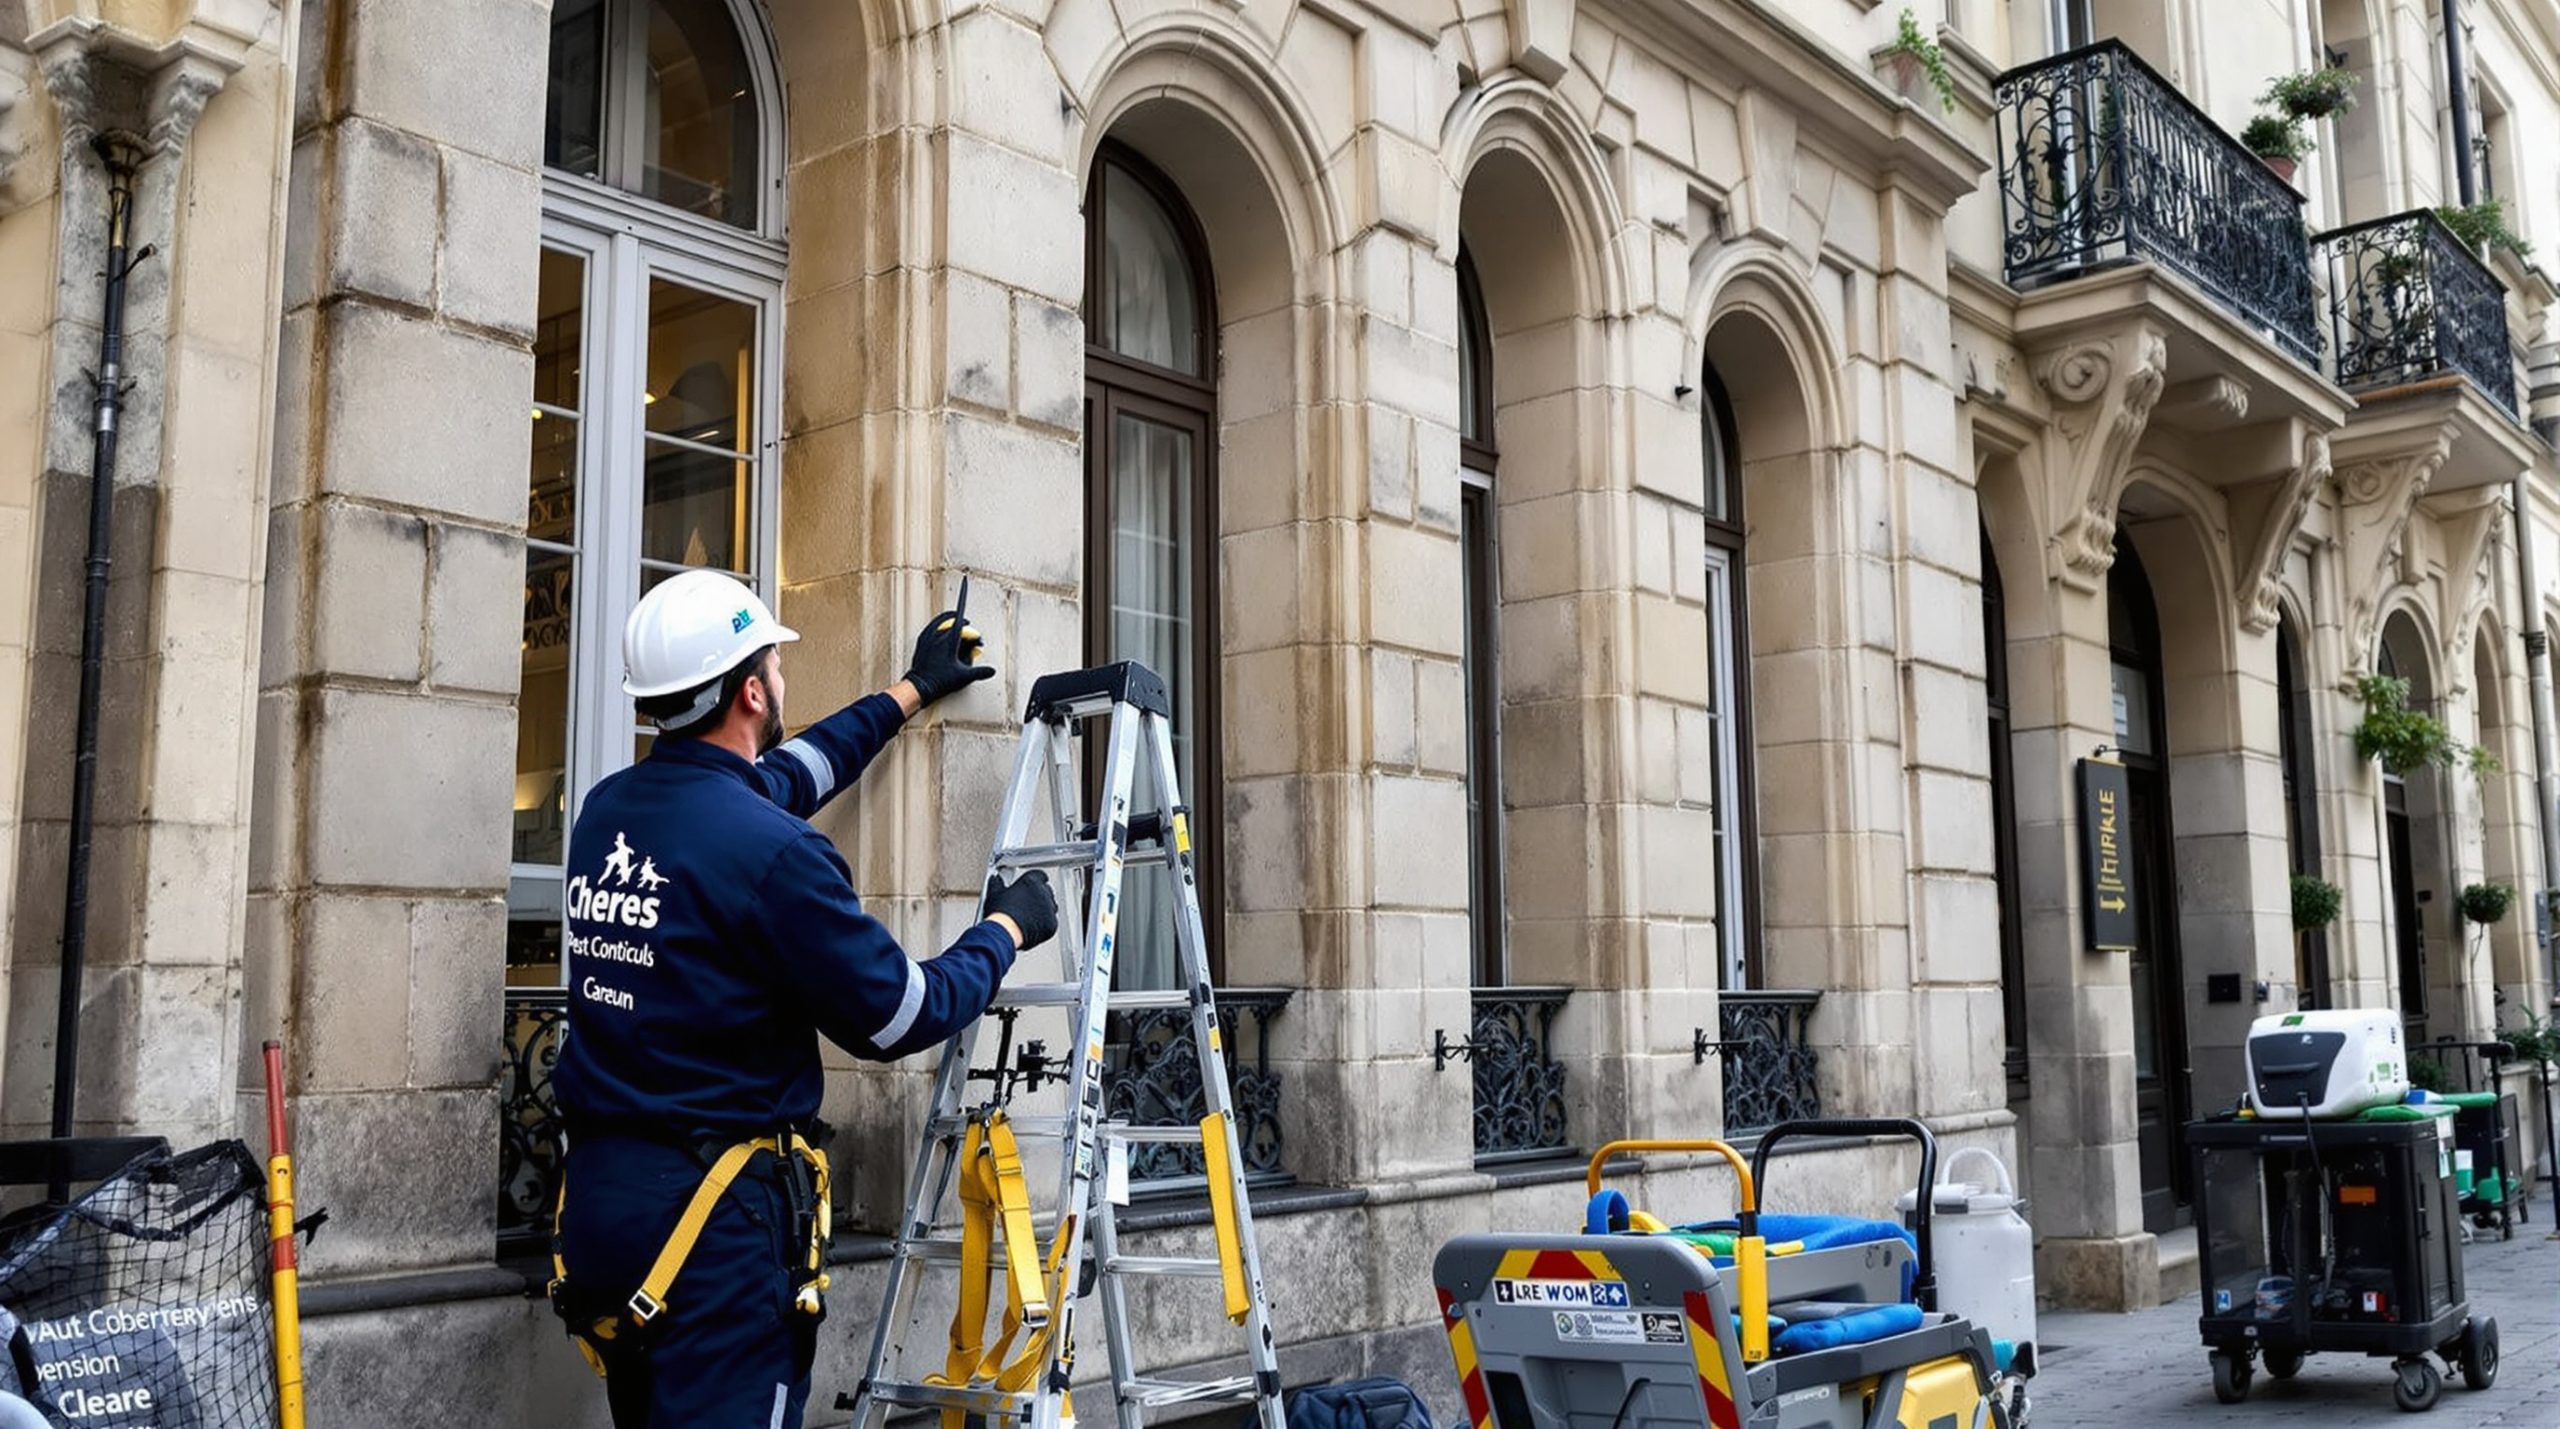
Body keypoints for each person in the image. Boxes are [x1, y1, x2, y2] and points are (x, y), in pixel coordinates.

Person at [547, 568, 1059, 1428]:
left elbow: (794, 770)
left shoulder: (608, 812)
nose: (783, 676)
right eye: (775, 665)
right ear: (751, 691)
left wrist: (909, 690)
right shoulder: (774, 853)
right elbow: (901, 1013)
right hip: (716, 1238)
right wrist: (1004, 931)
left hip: (608, 1213)